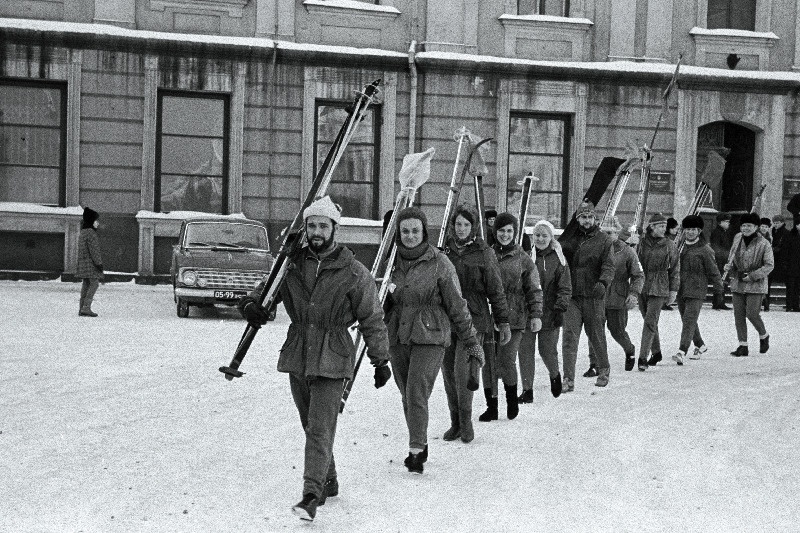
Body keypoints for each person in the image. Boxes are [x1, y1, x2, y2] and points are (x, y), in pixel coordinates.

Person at [239, 196, 390, 522]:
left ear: (335, 228)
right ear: (306, 228)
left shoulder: (353, 272)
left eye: (323, 225)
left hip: (334, 355)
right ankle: (329, 480)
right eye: (312, 225)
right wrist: (252, 304)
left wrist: (381, 360)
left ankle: (311, 494)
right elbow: (265, 291)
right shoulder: (291, 264)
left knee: (320, 427)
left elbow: (372, 318)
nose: (317, 231)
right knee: (312, 425)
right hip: (298, 354)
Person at [382, 207, 482, 473]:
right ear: (398, 233)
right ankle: (421, 441)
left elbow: (457, 305)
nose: (411, 236)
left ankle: (415, 450)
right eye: (405, 231)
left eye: (416, 231)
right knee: (406, 393)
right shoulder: (389, 261)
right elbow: (377, 300)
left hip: (431, 334)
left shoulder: (439, 262)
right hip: (398, 334)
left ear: (424, 231)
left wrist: (471, 341)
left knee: (416, 390)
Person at [443, 204, 511, 443]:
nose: (461, 229)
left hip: (475, 319)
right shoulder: (445, 250)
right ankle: (454, 422)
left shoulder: (484, 252)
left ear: (474, 227)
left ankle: (466, 421)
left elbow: (496, 289)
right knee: (449, 375)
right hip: (447, 320)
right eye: (458, 224)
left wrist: (503, 322)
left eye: (466, 224)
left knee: (464, 374)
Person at [480, 212, 543, 422]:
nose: (505, 235)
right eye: (501, 230)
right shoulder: (486, 254)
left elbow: (533, 289)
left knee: (506, 360)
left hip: (514, 316)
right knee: (488, 361)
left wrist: (535, 314)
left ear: (515, 233)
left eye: (509, 231)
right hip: (488, 316)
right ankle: (491, 405)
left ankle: (511, 400)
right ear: (494, 231)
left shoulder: (522, 258)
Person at [559, 200, 615, 389]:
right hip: (572, 296)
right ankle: (568, 378)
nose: (587, 220)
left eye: (590, 217)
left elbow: (609, 265)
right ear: (577, 219)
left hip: (593, 294)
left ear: (595, 219)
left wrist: (603, 282)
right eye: (583, 217)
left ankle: (604, 370)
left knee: (596, 335)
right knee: (569, 336)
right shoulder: (568, 240)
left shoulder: (604, 240)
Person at [518, 220, 571, 403]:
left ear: (551, 237)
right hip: (528, 312)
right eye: (537, 235)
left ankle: (555, 374)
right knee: (525, 351)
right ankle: (527, 390)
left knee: (547, 351)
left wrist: (560, 308)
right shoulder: (526, 257)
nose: (540, 239)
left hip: (550, 312)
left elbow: (565, 288)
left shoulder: (559, 260)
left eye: (544, 235)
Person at [585, 216, 644, 373]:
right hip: (597, 295)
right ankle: (594, 363)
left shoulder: (627, 252)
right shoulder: (594, 249)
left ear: (618, 233)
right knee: (595, 329)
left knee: (617, 330)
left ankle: (629, 349)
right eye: (604, 232)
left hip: (618, 297)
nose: (607, 235)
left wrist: (633, 294)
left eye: (611, 232)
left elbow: (638, 275)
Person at [672, 215, 723, 364]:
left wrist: (718, 290)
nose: (690, 232)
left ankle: (682, 351)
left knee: (689, 320)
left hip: (697, 289)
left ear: (699, 231)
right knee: (687, 319)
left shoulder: (705, 250)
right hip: (681, 289)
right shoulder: (679, 247)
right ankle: (700, 345)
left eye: (693, 229)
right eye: (688, 229)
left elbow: (714, 271)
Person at [724, 212, 774, 357]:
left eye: (749, 226)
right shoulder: (737, 238)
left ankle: (764, 335)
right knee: (738, 315)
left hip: (755, 284)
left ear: (756, 227)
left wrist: (752, 276)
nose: (745, 228)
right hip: (738, 281)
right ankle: (742, 345)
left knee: (752, 314)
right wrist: (730, 267)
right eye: (743, 225)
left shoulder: (764, 243)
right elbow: (732, 256)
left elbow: (769, 265)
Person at [637, 213, 680, 370]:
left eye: (664, 226)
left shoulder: (670, 245)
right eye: (660, 226)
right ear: (652, 227)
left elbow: (675, 269)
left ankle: (642, 357)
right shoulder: (641, 243)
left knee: (650, 321)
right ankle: (657, 352)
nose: (664, 229)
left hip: (660, 286)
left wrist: (673, 290)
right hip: (642, 285)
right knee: (648, 320)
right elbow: (634, 262)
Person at [76, 207, 104, 317]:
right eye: (96, 220)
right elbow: (94, 251)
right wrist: (99, 264)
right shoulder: (91, 233)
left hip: (83, 262)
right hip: (90, 263)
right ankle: (86, 307)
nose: (98, 222)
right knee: (94, 284)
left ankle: (81, 307)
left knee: (86, 283)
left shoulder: (83, 232)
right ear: (91, 221)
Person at [710, 212, 734, 309]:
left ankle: (720, 301)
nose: (728, 223)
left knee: (724, 282)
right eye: (726, 221)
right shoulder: (717, 232)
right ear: (720, 222)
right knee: (720, 282)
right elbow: (716, 248)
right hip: (720, 262)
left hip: (724, 261)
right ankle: (717, 302)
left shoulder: (724, 232)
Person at [781, 216, 800, 311]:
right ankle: (789, 306)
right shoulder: (790, 236)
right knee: (790, 287)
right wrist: (785, 264)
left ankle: (796, 306)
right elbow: (785, 251)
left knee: (797, 288)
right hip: (791, 266)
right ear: (796, 225)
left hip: (798, 267)